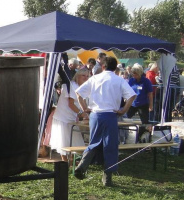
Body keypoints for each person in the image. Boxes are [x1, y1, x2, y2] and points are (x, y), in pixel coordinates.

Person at [74, 57, 136, 187]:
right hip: (110, 115)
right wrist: (124, 110)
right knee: (110, 146)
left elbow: (78, 93)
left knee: (94, 142)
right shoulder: (119, 80)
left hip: (95, 115)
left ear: (103, 66)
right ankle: (107, 179)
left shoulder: (95, 78)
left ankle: (82, 165)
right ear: (115, 68)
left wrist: (85, 108)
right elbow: (132, 95)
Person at [50, 68, 90, 163]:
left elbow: (82, 102)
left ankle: (71, 160)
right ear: (77, 76)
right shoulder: (72, 86)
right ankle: (65, 162)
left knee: (72, 139)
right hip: (63, 117)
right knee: (63, 141)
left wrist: (86, 111)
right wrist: (82, 113)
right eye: (83, 76)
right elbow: (70, 104)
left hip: (71, 117)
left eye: (87, 76)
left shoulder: (81, 87)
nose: (86, 78)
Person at [126, 64, 153, 132]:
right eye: (133, 73)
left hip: (143, 104)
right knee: (126, 118)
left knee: (145, 122)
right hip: (132, 104)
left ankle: (144, 136)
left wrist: (151, 105)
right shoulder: (131, 80)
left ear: (139, 73)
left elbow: (150, 94)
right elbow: (128, 91)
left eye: (135, 74)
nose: (134, 75)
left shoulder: (146, 81)